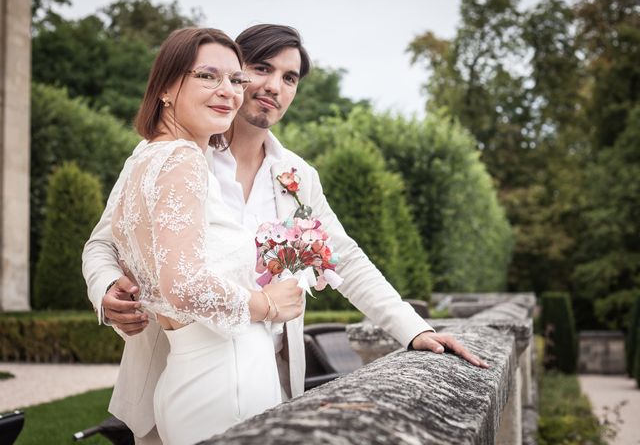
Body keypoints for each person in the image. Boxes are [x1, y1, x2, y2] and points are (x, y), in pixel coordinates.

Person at [84, 24, 488, 445]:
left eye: (290, 78)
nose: (274, 86)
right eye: (262, 68)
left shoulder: (297, 176)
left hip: (269, 378)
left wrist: (414, 329)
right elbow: (103, 241)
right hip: (174, 369)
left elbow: (343, 257)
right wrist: (108, 286)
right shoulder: (172, 154)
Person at [92, 27, 304, 445]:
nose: (228, 91)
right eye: (208, 76)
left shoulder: (147, 157)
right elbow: (183, 283)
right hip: (226, 378)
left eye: (235, 80)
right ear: (168, 86)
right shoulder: (185, 159)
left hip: (189, 373)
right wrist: (266, 304)